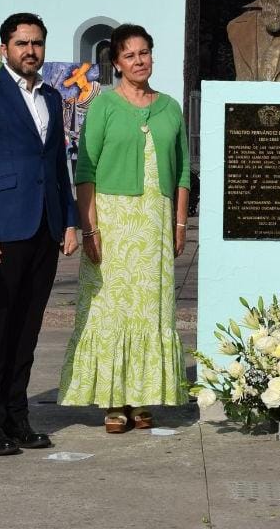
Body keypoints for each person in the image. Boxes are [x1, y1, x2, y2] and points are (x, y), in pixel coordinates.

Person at [0, 13, 78, 457]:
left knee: (28, 328)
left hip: (45, 225)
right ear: (5, 47)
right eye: (22, 43)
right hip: (2, 228)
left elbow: (57, 165)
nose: (31, 50)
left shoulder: (52, 95)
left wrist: (69, 219)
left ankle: (16, 415)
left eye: (38, 43)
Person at [58, 24, 190, 432]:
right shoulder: (104, 106)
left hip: (155, 221)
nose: (139, 61)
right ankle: (114, 399)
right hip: (113, 221)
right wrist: (90, 228)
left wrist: (180, 222)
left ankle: (142, 396)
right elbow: (86, 168)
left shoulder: (170, 107)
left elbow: (183, 170)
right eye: (130, 55)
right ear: (116, 62)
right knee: (111, 310)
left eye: (144, 53)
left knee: (151, 310)